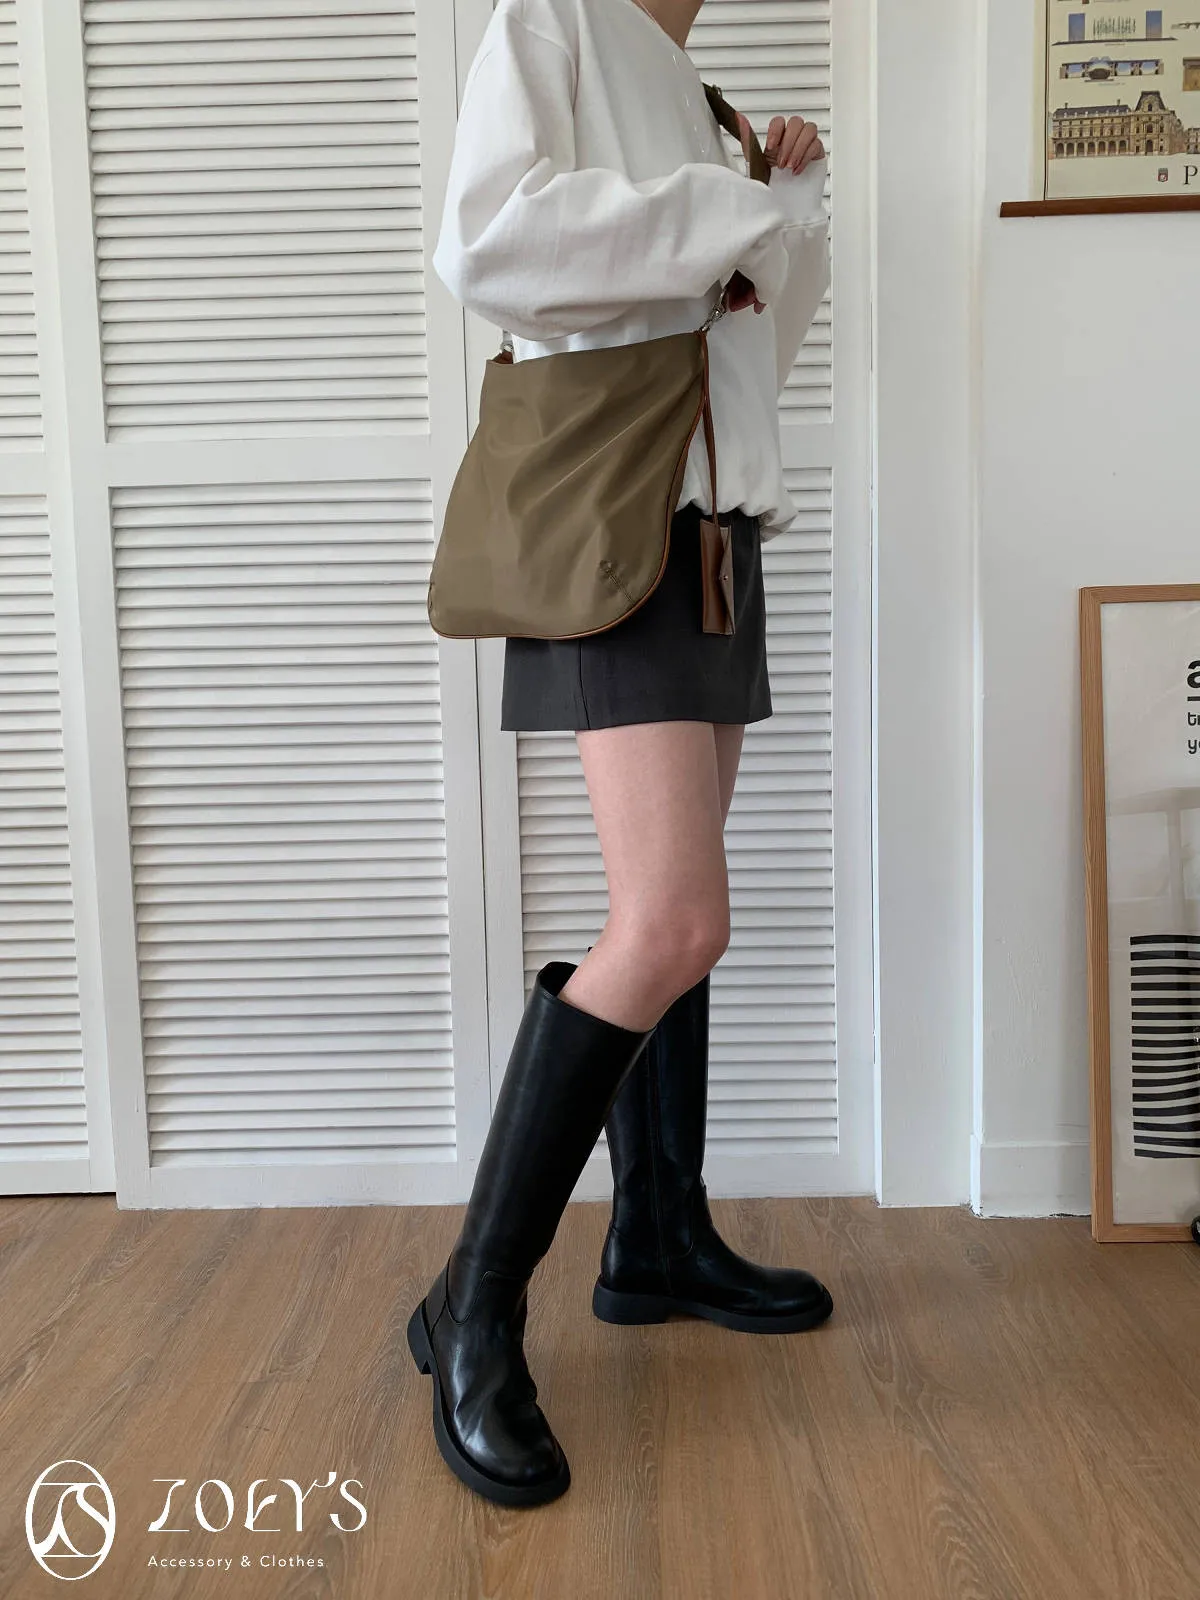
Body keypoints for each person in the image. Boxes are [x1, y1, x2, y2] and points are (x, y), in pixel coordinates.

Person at [408, 0, 834, 1508]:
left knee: (681, 924)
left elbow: (749, 340)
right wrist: (730, 210)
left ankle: (656, 1233)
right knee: (672, 922)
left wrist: (786, 207)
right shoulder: (556, 20)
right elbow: (490, 238)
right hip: (620, 526)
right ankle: (471, 1306)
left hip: (712, 530)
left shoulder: (697, 96)